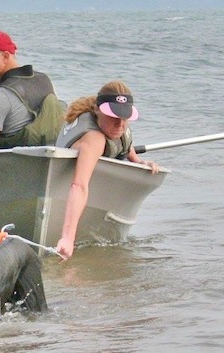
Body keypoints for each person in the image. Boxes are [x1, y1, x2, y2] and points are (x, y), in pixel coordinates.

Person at [55, 80, 159, 259]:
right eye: (113, 116)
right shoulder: (94, 138)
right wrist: (67, 239)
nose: (119, 124)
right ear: (97, 110)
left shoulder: (119, 130)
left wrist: (141, 163)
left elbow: (127, 149)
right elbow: (79, 185)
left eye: (124, 118)